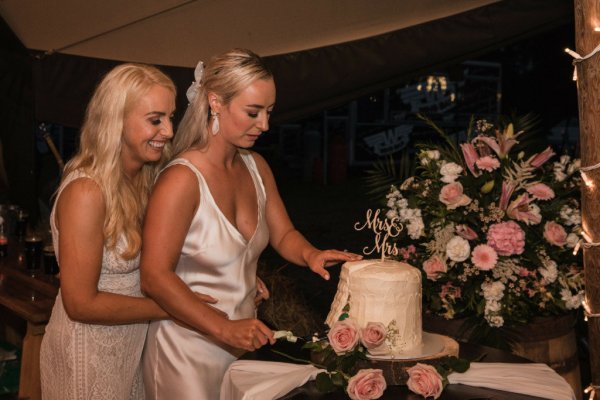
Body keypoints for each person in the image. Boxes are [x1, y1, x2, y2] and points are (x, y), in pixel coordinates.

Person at [140, 48, 362, 399]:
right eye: (253, 112)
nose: (265, 125)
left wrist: (310, 255)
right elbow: (154, 277)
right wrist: (222, 329)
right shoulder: (181, 180)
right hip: (185, 351)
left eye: (269, 112)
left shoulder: (256, 167)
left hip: (242, 345)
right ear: (215, 102)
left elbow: (283, 233)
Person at [38, 63, 216, 399]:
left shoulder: (148, 178)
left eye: (170, 117)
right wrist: (174, 307)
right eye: (155, 119)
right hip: (85, 356)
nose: (167, 131)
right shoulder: (86, 192)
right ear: (116, 120)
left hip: (131, 348)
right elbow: (80, 303)